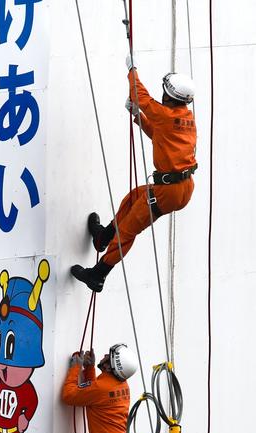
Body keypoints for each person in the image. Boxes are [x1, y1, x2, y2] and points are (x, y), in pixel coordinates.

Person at [72, 57, 196, 292]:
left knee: (129, 231)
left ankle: (98, 275)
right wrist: (139, 117)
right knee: (133, 198)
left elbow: (141, 96)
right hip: (180, 187)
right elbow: (162, 137)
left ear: (171, 96)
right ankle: (103, 237)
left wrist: (132, 70)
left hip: (168, 191)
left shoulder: (167, 115)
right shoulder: (184, 118)